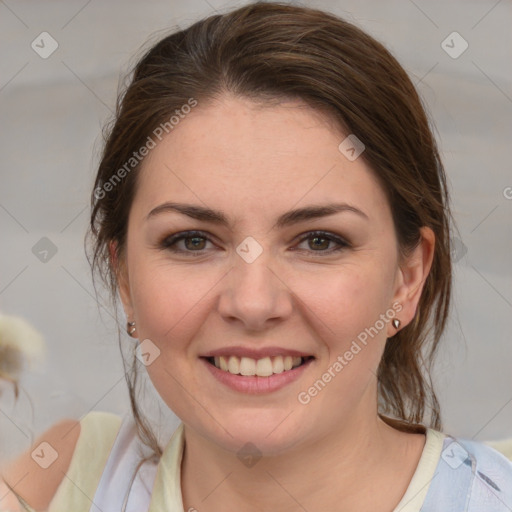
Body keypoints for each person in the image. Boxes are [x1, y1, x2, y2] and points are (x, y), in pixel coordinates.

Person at [2, 2, 511, 511]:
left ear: (407, 278)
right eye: (192, 241)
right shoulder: (56, 484)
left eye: (319, 241)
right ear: (126, 280)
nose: (252, 302)